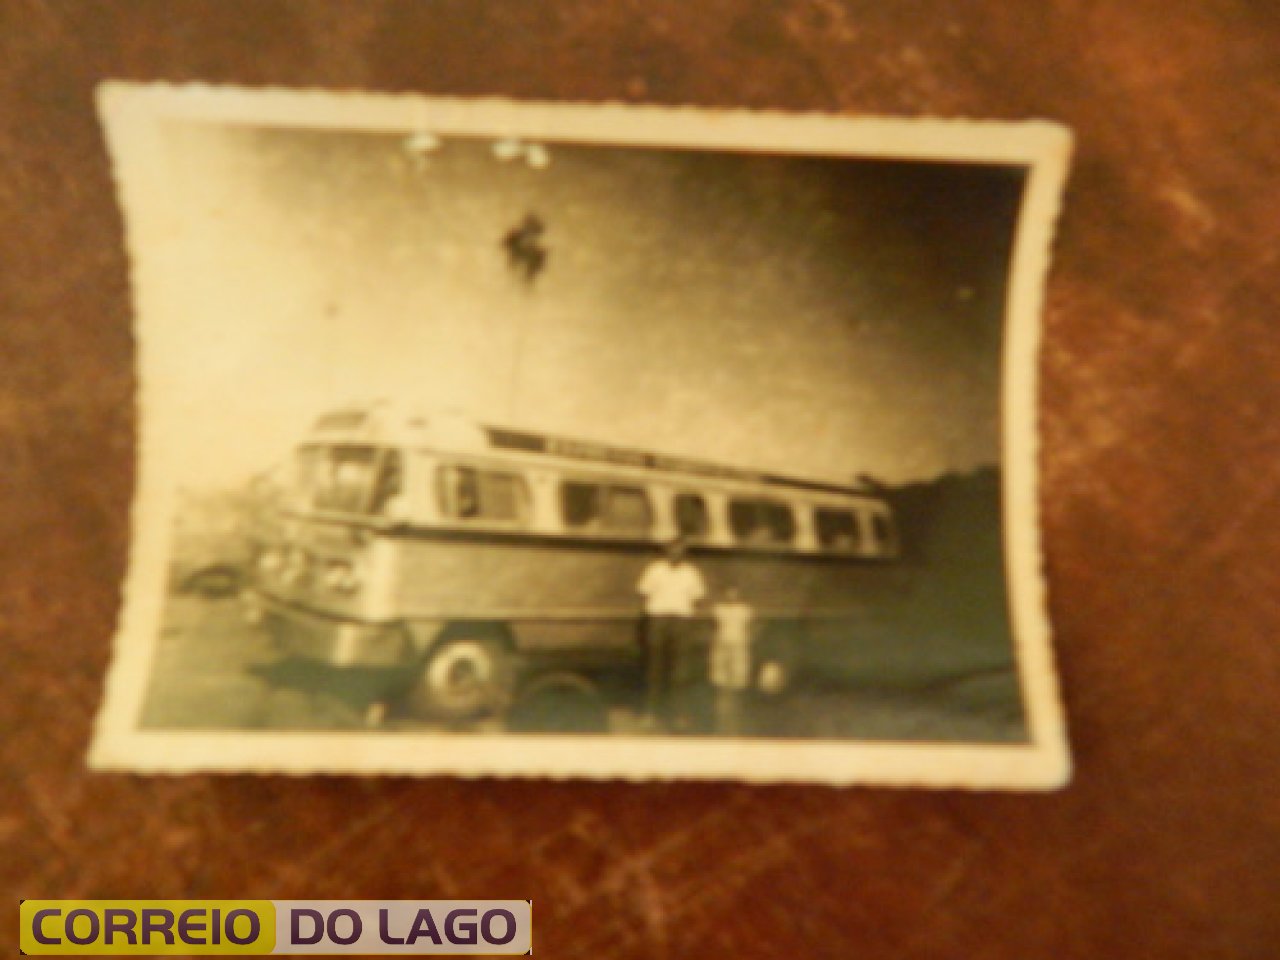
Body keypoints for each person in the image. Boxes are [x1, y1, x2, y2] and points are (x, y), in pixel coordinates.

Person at [636, 538, 706, 727]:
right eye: (672, 549)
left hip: (681, 621)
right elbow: (643, 593)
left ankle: (679, 716)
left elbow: (698, 597)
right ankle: (650, 715)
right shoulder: (654, 569)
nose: (676, 553)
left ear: (685, 553)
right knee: (655, 669)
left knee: (681, 671)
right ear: (666, 551)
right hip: (658, 620)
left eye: (680, 550)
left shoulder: (691, 572)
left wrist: (684, 616)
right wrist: (654, 617)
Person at [709, 587, 754, 735]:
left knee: (739, 668)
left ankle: (738, 694)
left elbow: (750, 627)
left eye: (735, 593)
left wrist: (747, 638)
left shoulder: (745, 610)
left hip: (739, 641)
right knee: (720, 667)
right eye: (729, 593)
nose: (732, 596)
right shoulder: (719, 609)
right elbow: (714, 625)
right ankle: (721, 693)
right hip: (722, 640)